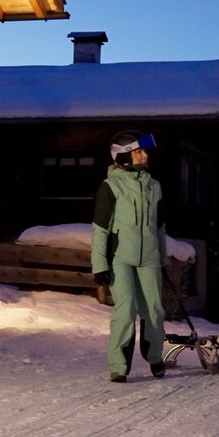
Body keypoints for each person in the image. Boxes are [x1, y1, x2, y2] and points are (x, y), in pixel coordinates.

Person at [91, 130, 168, 383]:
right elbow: (100, 229)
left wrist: (163, 259)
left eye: (144, 151)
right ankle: (118, 365)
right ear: (123, 156)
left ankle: (155, 357)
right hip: (120, 257)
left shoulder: (154, 185)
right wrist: (99, 265)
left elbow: (159, 228)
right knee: (126, 310)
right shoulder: (110, 186)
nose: (145, 155)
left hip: (150, 257)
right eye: (138, 152)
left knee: (155, 310)